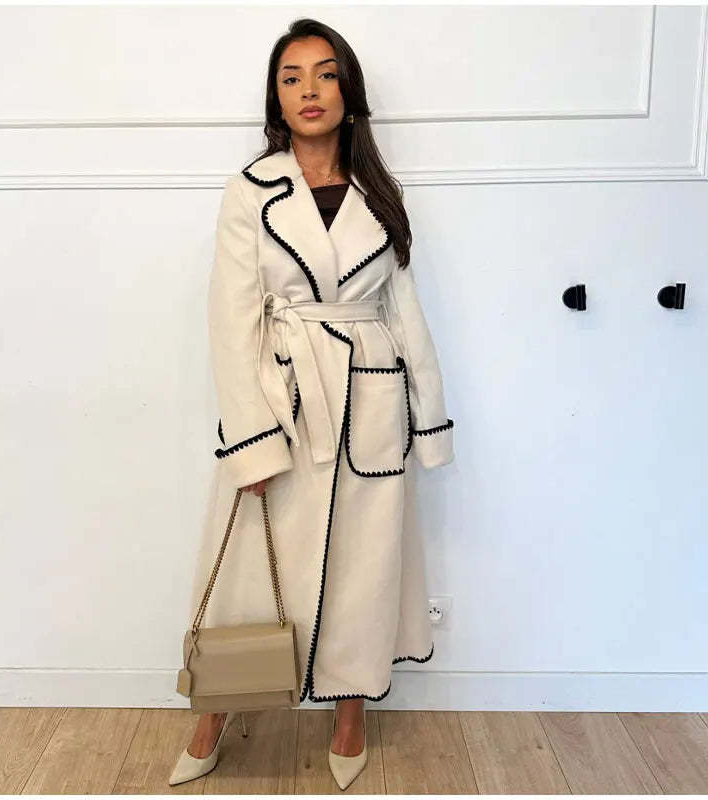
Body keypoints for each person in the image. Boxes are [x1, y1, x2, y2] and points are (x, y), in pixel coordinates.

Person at [170, 18, 454, 790]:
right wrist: (252, 439)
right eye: (291, 77)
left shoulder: (381, 194)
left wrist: (428, 419)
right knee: (247, 566)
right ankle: (214, 714)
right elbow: (231, 319)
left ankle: (351, 712)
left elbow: (405, 313)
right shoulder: (250, 190)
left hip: (369, 401)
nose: (309, 90)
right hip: (284, 395)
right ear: (276, 97)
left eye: (325, 74)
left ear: (347, 91)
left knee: (365, 564)